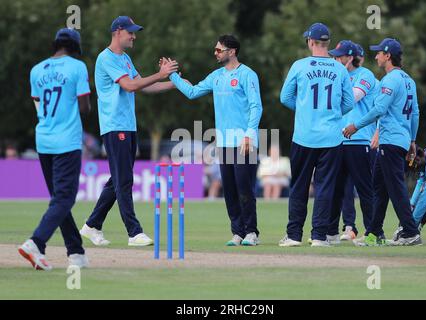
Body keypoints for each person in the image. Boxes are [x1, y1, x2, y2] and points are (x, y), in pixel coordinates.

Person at [79, 16, 179, 247]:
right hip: (115, 126)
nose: (134, 36)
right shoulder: (106, 58)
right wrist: (160, 74)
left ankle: (92, 225)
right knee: (124, 180)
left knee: (117, 180)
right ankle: (134, 232)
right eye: (131, 32)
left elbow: (145, 85)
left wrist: (174, 83)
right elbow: (130, 86)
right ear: (118, 32)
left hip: (127, 126)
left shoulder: (125, 58)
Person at [167, 34, 263, 246]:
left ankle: (251, 232)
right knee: (228, 188)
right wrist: (172, 76)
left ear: (232, 51)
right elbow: (192, 92)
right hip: (224, 142)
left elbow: (256, 106)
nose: (215, 53)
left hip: (244, 141)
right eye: (216, 49)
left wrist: (249, 134)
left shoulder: (247, 74)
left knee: (244, 188)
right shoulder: (216, 76)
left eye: (219, 50)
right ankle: (237, 232)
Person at [18, 28, 91, 270]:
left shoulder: (36, 70)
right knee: (64, 198)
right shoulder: (77, 67)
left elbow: (37, 102)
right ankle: (36, 242)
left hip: (44, 140)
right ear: (75, 47)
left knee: (59, 200)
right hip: (67, 141)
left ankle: (76, 253)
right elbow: (84, 107)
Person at [278, 23, 354, 247]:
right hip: (331, 137)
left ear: (310, 42)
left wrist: (303, 110)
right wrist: (330, 115)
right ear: (328, 43)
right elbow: (349, 103)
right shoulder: (340, 69)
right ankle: (319, 236)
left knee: (299, 186)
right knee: (325, 187)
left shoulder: (299, 66)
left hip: (304, 136)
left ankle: (293, 236)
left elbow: (285, 97)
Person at [344, 38, 422, 246]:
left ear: (388, 56)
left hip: (390, 140)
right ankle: (374, 233)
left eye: (379, 53)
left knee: (395, 187)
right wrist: (412, 140)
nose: (376, 56)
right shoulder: (408, 80)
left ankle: (410, 232)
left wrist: (356, 126)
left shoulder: (390, 80)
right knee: (379, 187)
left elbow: (379, 109)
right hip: (401, 139)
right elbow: (415, 113)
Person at [326, 40, 378, 244]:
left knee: (365, 189)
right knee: (336, 189)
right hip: (337, 141)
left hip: (359, 139)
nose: (335, 59)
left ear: (350, 57)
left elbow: (352, 98)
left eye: (339, 56)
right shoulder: (339, 74)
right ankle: (331, 232)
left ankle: (373, 232)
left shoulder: (365, 75)